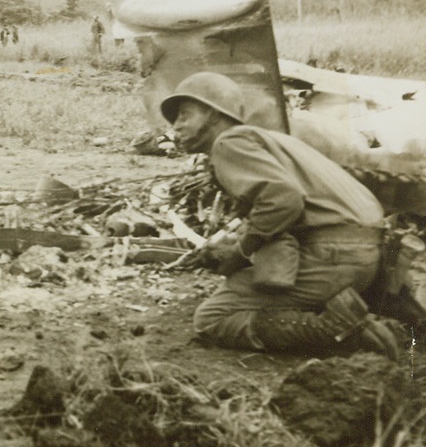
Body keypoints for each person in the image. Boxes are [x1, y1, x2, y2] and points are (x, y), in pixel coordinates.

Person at [160, 72, 405, 360]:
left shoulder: (228, 144)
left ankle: (339, 329)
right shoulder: (270, 140)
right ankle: (392, 314)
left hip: (336, 256)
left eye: (184, 115)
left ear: (213, 114)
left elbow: (283, 201)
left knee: (213, 317)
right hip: (371, 255)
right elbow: (286, 205)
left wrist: (239, 252)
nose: (176, 126)